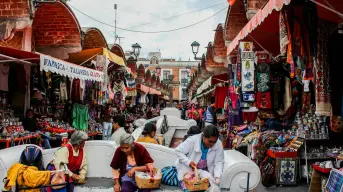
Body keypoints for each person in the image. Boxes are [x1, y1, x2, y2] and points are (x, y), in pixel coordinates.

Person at [175, 125, 224, 191]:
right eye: (210, 141)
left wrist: (217, 176)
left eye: (214, 142)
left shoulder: (218, 144)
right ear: (203, 136)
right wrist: (188, 162)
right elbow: (178, 151)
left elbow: (219, 161)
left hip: (203, 171)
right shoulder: (192, 140)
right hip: (188, 169)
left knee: (208, 185)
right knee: (190, 187)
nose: (212, 144)